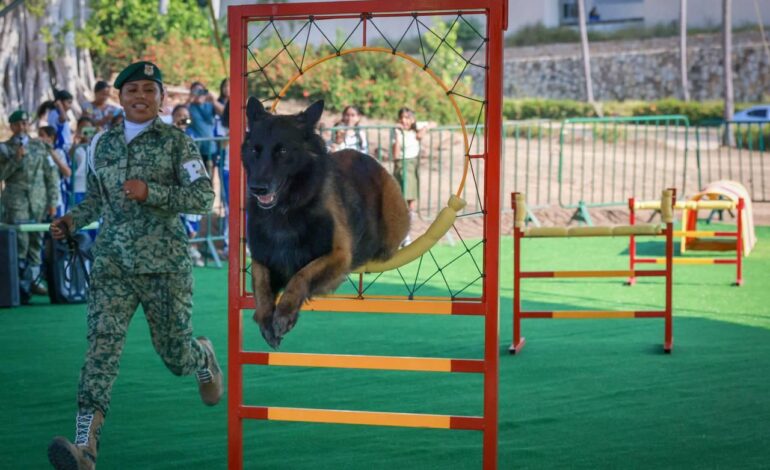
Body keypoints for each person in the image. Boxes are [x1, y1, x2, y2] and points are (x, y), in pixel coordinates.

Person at [47, 61, 222, 470]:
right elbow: (95, 199)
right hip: (112, 265)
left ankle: (204, 358)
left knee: (175, 356)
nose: (140, 97)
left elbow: (202, 197)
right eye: (132, 91)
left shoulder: (178, 143)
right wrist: (73, 219)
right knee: (100, 351)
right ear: (121, 97)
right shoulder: (101, 144)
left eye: (149, 90)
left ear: (161, 97)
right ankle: (85, 448)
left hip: (165, 265)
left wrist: (152, 192)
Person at [0, 110, 60, 299]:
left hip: (39, 202)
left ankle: (33, 281)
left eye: (25, 123)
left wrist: (53, 201)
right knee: (20, 243)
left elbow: (51, 175)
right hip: (16, 202)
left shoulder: (40, 146)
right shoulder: (4, 148)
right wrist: (16, 159)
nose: (22, 128)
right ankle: (17, 285)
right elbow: (2, 175)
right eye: (17, 124)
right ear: (11, 127)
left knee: (36, 242)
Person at [172, 104, 205, 267]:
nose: (182, 118)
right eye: (179, 114)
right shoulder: (169, 135)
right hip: (175, 182)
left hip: (191, 181)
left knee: (192, 216)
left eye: (185, 115)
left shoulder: (192, 135)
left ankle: (192, 247)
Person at [187, 81, 224, 176]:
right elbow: (179, 114)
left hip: (210, 148)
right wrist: (189, 100)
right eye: (195, 91)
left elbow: (225, 114)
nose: (198, 93)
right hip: (195, 150)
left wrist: (213, 100)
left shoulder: (209, 105)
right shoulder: (190, 106)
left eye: (200, 91)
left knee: (210, 177)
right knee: (196, 177)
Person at [38, 125, 73, 215]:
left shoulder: (59, 152)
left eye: (42, 135)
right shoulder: (38, 153)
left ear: (51, 137)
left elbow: (67, 172)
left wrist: (52, 153)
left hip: (57, 196)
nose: (39, 138)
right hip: (40, 196)